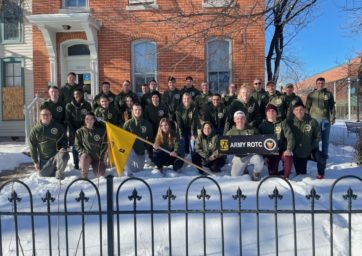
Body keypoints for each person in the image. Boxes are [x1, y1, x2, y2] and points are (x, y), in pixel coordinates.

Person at [288, 102, 326, 179]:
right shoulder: (290, 123)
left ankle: (320, 174)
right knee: (301, 174)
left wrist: (311, 147)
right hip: (298, 152)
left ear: (305, 110)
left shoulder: (312, 121)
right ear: (293, 111)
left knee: (322, 158)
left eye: (301, 109)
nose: (299, 112)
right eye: (296, 110)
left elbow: (318, 136)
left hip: (311, 150)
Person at [29, 107, 69, 179]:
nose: (45, 116)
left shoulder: (58, 127)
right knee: (43, 175)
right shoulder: (35, 130)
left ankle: (59, 174)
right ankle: (52, 170)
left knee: (64, 155)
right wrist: (35, 161)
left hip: (57, 157)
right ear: (40, 116)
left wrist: (63, 147)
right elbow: (32, 147)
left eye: (47, 114)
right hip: (45, 160)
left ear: (51, 116)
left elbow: (64, 139)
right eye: (43, 115)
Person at [258, 104, 295, 178]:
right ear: (266, 113)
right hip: (270, 153)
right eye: (268, 111)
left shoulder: (282, 123)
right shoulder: (262, 126)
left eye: (273, 111)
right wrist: (264, 156)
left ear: (276, 113)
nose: (271, 112)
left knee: (288, 156)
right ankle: (275, 172)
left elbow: (290, 137)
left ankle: (286, 176)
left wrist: (289, 149)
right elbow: (259, 143)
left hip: (281, 150)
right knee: (272, 174)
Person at [226, 111, 264, 181]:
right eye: (238, 118)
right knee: (235, 177)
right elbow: (224, 147)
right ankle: (244, 169)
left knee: (260, 160)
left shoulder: (252, 130)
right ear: (234, 120)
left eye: (242, 118)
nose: (240, 120)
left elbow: (261, 141)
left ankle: (256, 173)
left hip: (251, 155)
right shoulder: (230, 133)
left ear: (245, 119)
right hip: (239, 157)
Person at [306, 77, 336, 159]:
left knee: (325, 140)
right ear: (316, 84)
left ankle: (324, 155)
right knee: (315, 139)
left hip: (325, 120)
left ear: (324, 84)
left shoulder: (328, 94)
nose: (320, 84)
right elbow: (307, 108)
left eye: (322, 83)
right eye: (319, 83)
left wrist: (333, 117)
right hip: (314, 120)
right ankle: (314, 155)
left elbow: (332, 107)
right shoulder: (311, 95)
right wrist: (307, 119)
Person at [123, 104, 153, 176]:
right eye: (135, 110)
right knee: (127, 151)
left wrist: (147, 148)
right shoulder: (128, 124)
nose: (137, 111)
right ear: (132, 111)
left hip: (140, 151)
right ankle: (127, 170)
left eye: (139, 109)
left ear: (141, 111)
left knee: (138, 169)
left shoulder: (146, 124)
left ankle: (130, 166)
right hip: (130, 149)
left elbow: (151, 138)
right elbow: (123, 138)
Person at [75, 112, 107, 178]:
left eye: (91, 119)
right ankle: (84, 176)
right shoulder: (80, 131)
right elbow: (77, 145)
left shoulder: (101, 131)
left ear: (94, 120)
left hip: (97, 156)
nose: (89, 121)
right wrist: (84, 151)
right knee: (84, 158)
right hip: (87, 155)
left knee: (100, 175)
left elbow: (105, 144)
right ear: (84, 120)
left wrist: (102, 154)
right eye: (87, 119)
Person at [65, 89, 92, 170]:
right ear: (73, 95)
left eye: (79, 94)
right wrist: (73, 130)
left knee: (86, 145)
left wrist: (84, 127)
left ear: (82, 95)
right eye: (76, 94)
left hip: (84, 128)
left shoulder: (87, 105)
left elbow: (89, 117)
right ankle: (76, 164)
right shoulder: (69, 105)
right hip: (73, 128)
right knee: (75, 146)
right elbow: (68, 119)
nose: (78, 95)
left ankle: (86, 162)